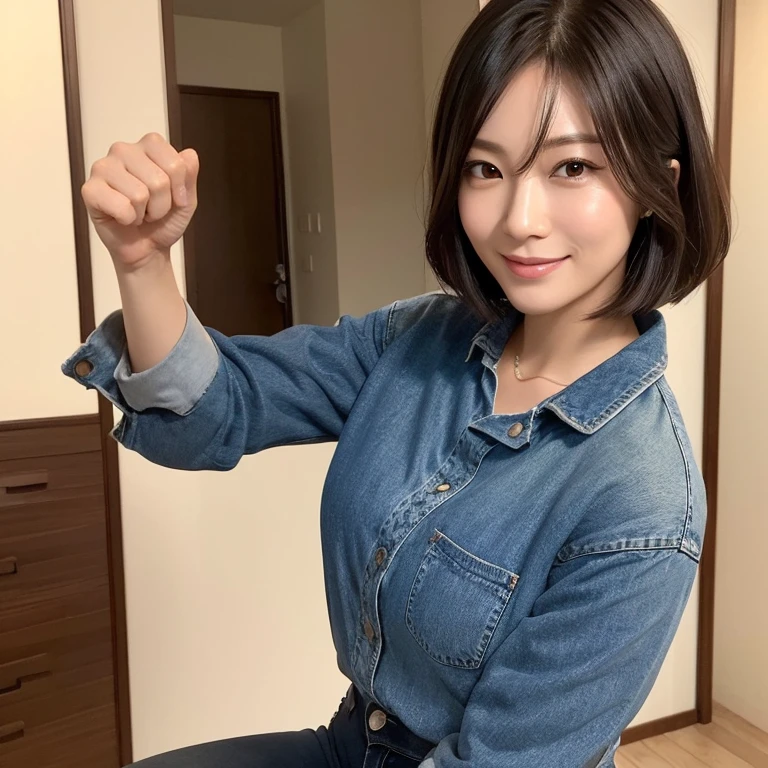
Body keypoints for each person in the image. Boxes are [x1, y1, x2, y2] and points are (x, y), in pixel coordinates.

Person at [62, 0, 730, 765]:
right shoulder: (417, 339)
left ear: (656, 184)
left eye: (572, 167)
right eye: (486, 168)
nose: (519, 218)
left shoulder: (644, 500)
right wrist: (144, 264)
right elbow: (213, 413)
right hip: (354, 742)